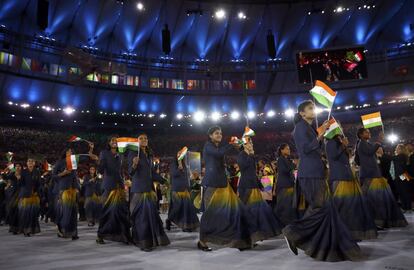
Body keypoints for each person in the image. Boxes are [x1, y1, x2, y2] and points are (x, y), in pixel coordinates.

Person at [282, 100, 361, 262]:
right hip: (310, 173)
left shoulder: (308, 128)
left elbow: (315, 147)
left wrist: (321, 133)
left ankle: (319, 243)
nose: (314, 110)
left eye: (314, 107)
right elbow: (305, 149)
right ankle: (292, 232)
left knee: (323, 208)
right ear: (302, 113)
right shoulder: (299, 128)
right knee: (321, 208)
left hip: (316, 172)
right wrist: (320, 133)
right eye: (310, 108)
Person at [198, 126, 254, 252]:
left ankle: (242, 241)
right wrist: (232, 144)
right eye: (216, 133)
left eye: (221, 133)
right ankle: (202, 242)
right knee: (210, 216)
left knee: (237, 212)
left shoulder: (218, 147)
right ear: (210, 136)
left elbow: (231, 150)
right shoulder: (208, 146)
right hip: (212, 185)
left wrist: (241, 143)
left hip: (223, 185)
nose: (219, 135)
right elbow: (219, 153)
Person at [325, 134, 377, 240]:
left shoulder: (339, 143)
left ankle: (351, 233)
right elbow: (334, 156)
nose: (340, 128)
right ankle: (341, 234)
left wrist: (344, 146)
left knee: (351, 208)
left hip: (347, 177)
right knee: (343, 207)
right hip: (339, 178)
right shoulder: (330, 143)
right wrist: (343, 145)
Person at [356, 128, 407, 228]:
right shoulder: (361, 143)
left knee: (379, 200)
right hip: (368, 175)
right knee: (372, 200)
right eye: (366, 132)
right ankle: (373, 222)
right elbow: (370, 152)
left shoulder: (367, 143)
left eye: (369, 132)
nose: (369, 133)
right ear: (361, 135)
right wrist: (379, 141)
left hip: (374, 174)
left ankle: (380, 221)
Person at [128, 133, 170, 251]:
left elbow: (152, 174)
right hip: (139, 190)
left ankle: (150, 240)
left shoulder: (149, 155)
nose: (144, 140)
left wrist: (164, 181)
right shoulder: (133, 153)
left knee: (151, 216)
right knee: (142, 217)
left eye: (145, 138)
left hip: (149, 189)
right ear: (137, 141)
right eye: (141, 138)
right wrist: (134, 164)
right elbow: (130, 172)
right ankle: (143, 242)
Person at [237, 139, 281, 242]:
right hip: (246, 187)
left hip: (253, 187)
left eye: (252, 142)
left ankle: (252, 237)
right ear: (244, 145)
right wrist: (251, 155)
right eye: (249, 143)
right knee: (248, 213)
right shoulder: (241, 155)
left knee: (256, 212)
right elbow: (244, 167)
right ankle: (244, 238)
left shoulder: (250, 156)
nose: (252, 144)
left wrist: (260, 185)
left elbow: (253, 173)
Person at [96, 136, 131, 245]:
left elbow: (121, 170)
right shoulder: (104, 153)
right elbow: (101, 170)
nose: (114, 142)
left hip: (119, 185)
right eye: (112, 141)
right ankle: (100, 235)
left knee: (121, 211)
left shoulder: (120, 154)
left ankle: (123, 235)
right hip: (108, 185)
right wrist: (99, 162)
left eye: (116, 141)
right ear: (109, 143)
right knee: (107, 211)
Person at [166, 148, 200, 232]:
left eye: (181, 154)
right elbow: (174, 174)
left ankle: (187, 226)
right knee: (177, 208)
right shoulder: (173, 164)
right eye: (178, 153)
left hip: (185, 189)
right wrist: (179, 168)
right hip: (177, 189)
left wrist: (193, 177)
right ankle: (169, 219)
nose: (180, 155)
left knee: (187, 209)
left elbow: (187, 177)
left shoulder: (185, 164)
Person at [272, 144, 298, 227]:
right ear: (282, 150)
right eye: (287, 149)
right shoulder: (280, 159)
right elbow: (284, 170)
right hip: (284, 186)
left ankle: (288, 223)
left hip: (289, 184)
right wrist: (293, 165)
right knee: (283, 205)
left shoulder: (287, 159)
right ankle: (280, 223)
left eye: (289, 148)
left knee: (289, 205)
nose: (289, 150)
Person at [18, 158, 41, 236]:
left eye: (32, 161)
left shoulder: (37, 171)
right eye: (29, 161)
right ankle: (26, 230)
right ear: (27, 163)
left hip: (34, 196)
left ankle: (32, 229)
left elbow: (39, 183)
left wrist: (37, 191)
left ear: (34, 163)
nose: (30, 162)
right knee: (26, 213)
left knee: (33, 213)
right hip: (25, 195)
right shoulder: (23, 172)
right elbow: (21, 184)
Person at [391, 144, 412, 212]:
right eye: (396, 148)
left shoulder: (401, 156)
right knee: (404, 191)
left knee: (403, 191)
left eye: (398, 148)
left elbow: (393, 159)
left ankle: (406, 207)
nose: (396, 149)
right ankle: (407, 207)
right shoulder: (404, 156)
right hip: (405, 175)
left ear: (401, 149)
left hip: (402, 175)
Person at [4, 163, 22, 234]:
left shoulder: (24, 174)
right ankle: (13, 227)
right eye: (16, 166)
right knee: (12, 210)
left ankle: (20, 228)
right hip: (13, 195)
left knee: (20, 211)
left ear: (21, 167)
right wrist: (6, 169)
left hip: (21, 194)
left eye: (19, 166)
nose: (17, 167)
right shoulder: (12, 174)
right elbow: (5, 177)